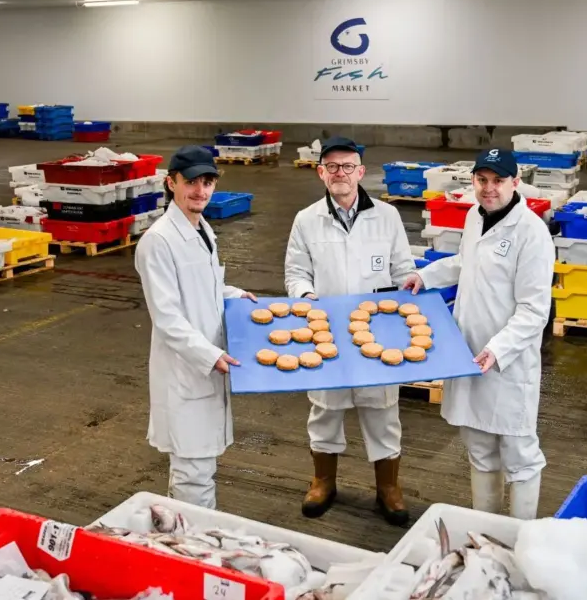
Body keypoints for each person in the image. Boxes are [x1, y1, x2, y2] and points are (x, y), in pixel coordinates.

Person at [403, 148, 554, 520]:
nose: (488, 189)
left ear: (516, 182)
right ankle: (487, 531)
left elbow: (535, 309)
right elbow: (466, 261)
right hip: (468, 352)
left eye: (498, 180)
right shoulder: (474, 216)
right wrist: (426, 275)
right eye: (481, 180)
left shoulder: (531, 233)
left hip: (507, 364)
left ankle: (521, 538)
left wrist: (499, 349)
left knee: (520, 456)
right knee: (480, 448)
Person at [284, 136, 417, 525]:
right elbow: (296, 272)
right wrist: (306, 295)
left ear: (361, 172)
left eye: (348, 167)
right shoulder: (306, 220)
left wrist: (409, 287)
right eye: (332, 167)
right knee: (325, 407)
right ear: (320, 172)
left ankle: (388, 488)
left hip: (376, 332)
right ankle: (323, 480)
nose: (339, 174)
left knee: (382, 409)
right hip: (326, 332)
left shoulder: (387, 217)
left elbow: (402, 268)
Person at [135, 144, 256, 509]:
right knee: (194, 472)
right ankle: (194, 546)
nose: (200, 190)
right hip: (188, 370)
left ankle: (181, 534)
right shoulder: (158, 241)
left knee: (197, 466)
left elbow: (205, 287)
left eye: (208, 182)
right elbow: (168, 318)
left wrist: (235, 294)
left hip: (207, 365)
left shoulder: (201, 228)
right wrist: (210, 354)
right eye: (191, 182)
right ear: (170, 183)